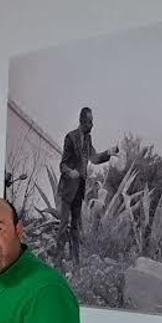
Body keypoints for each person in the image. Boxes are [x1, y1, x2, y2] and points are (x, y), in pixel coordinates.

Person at [57, 106, 118, 263]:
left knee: (75, 228)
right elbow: (62, 164)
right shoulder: (70, 137)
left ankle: (76, 262)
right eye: (90, 122)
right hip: (67, 190)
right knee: (64, 226)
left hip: (79, 190)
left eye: (92, 122)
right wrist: (71, 172)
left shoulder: (88, 140)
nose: (92, 125)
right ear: (82, 121)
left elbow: (95, 158)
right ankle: (57, 262)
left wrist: (110, 152)